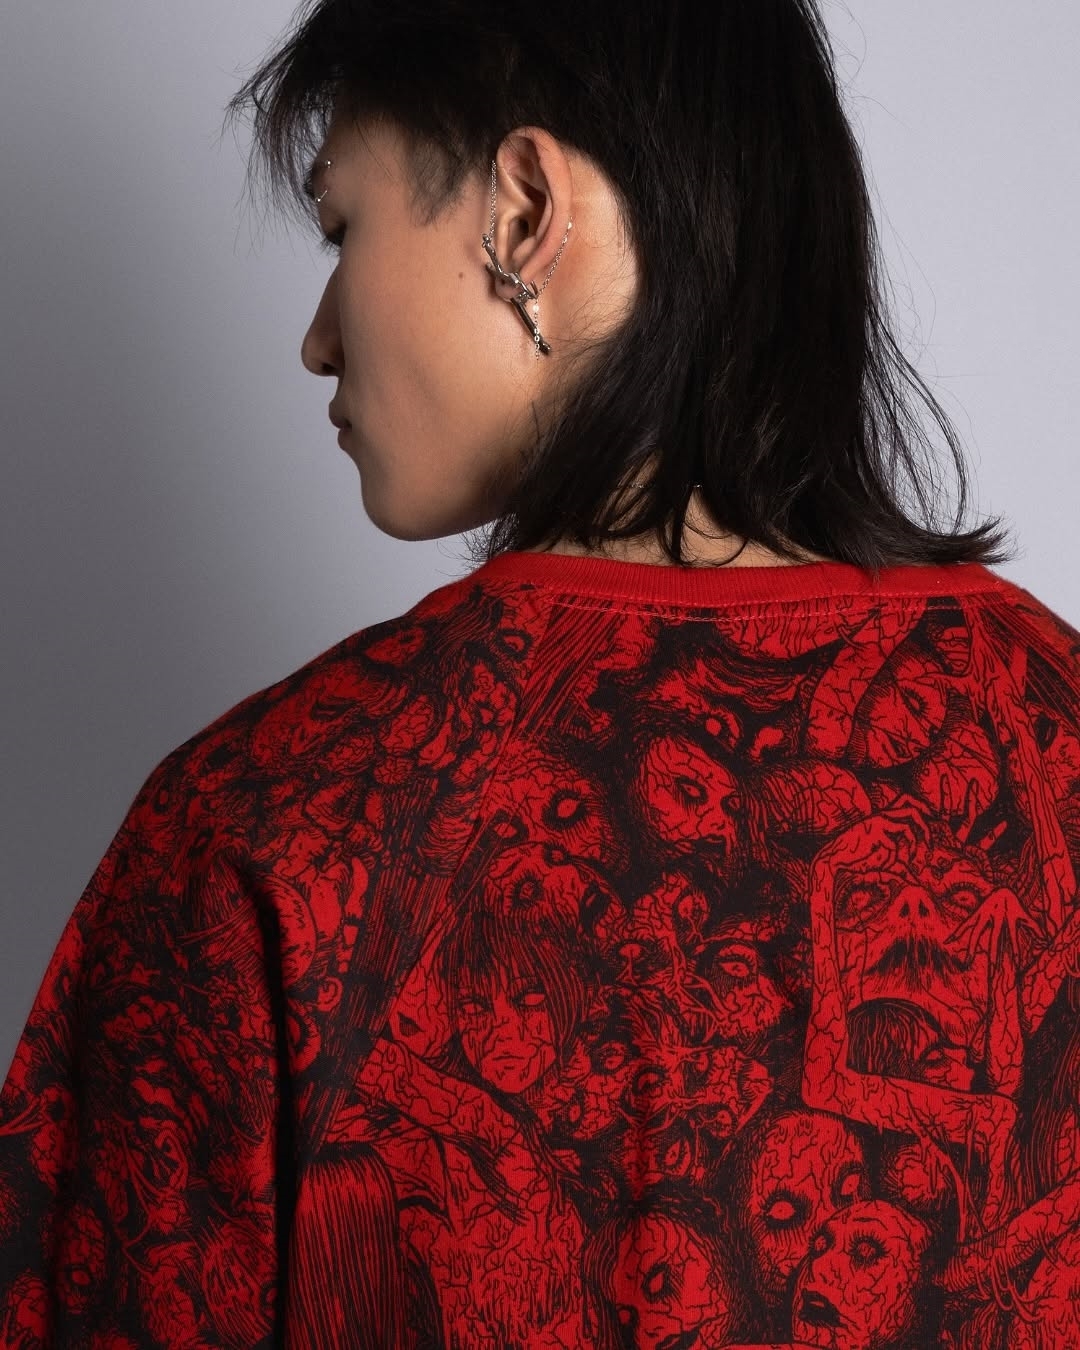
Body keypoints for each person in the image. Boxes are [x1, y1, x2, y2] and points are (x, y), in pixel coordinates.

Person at [2, 2, 1079, 1347]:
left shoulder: (261, 825)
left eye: (342, 230)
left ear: (523, 215)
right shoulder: (1056, 742)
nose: (319, 338)